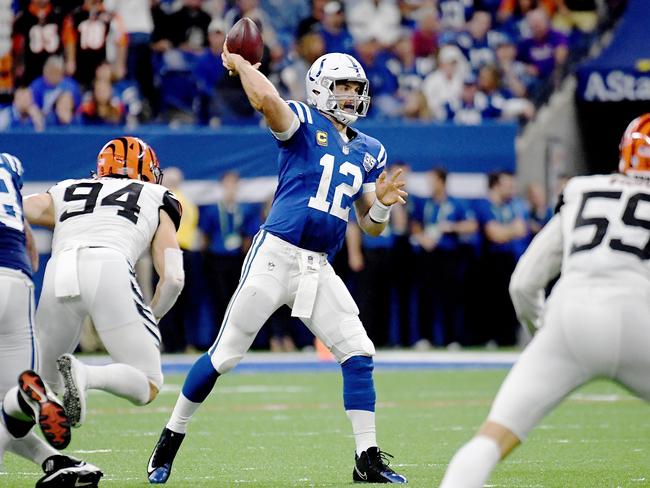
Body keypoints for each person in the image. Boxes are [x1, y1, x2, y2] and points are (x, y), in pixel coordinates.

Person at [147, 49, 409, 484]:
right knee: (225, 355)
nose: (350, 96)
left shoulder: (371, 150)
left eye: (355, 88)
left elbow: (370, 226)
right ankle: (170, 437)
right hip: (275, 254)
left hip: (318, 266)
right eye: (343, 86)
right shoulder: (304, 122)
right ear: (321, 87)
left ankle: (366, 458)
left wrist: (379, 205)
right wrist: (244, 65)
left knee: (359, 352)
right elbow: (267, 102)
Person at [439, 113, 650, 487]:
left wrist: (546, 335)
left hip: (571, 316)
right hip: (640, 319)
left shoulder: (585, 191)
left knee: (491, 438)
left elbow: (523, 283)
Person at [21, 136, 184, 435]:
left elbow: (18, 208)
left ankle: (44, 458)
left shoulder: (68, 188)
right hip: (110, 266)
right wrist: (153, 316)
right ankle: (86, 374)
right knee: (148, 382)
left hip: (60, 267)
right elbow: (173, 278)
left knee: (41, 386)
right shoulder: (156, 194)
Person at [0, 152, 102, 487]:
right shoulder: (9, 163)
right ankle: (54, 459)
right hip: (17, 278)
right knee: (8, 407)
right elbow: (30, 247)